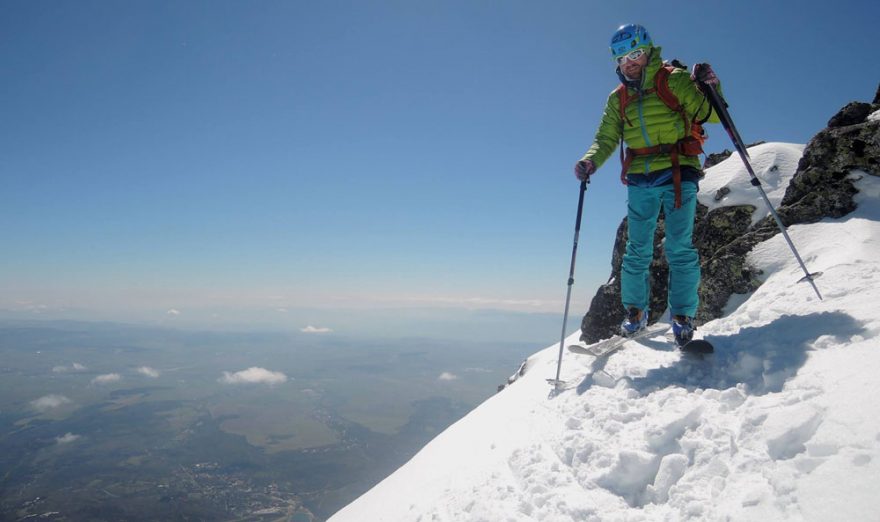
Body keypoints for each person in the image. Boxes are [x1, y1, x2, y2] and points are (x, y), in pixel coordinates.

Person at [573, 24, 721, 347]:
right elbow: (607, 137)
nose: (630, 62)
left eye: (635, 54)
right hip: (640, 176)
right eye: (622, 58)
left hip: (678, 170)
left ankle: (682, 317)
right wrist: (590, 161)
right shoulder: (618, 99)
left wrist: (712, 86)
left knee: (679, 247)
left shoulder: (673, 79)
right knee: (636, 250)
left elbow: (709, 113)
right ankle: (635, 313)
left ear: (647, 50)